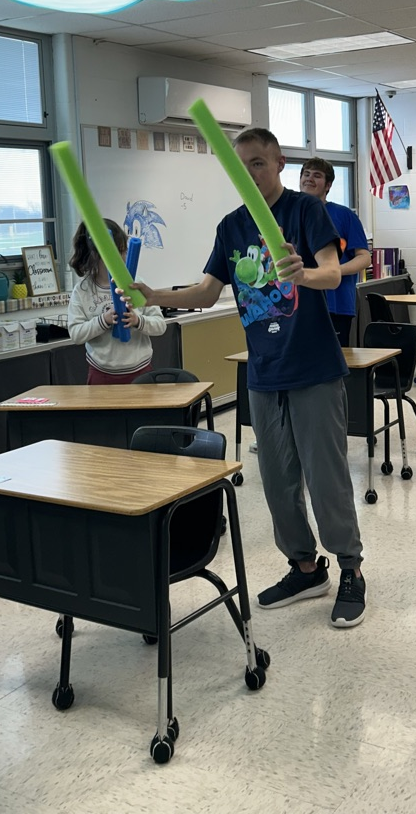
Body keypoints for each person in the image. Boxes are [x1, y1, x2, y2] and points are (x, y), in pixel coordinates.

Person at [128, 127, 366, 627]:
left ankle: (350, 568)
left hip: (315, 367)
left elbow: (332, 271)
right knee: (278, 481)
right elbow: (206, 291)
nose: (251, 173)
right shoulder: (231, 227)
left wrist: (302, 274)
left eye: (259, 162)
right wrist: (154, 297)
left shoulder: (305, 211)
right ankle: (304, 566)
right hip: (263, 371)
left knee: (326, 479)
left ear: (279, 163)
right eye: (241, 165)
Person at [68, 218, 166, 384]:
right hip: (101, 374)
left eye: (124, 250)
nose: (124, 257)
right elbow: (76, 334)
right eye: (118, 252)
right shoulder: (83, 291)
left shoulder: (136, 285)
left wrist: (137, 321)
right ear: (96, 255)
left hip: (140, 372)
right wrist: (103, 321)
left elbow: (160, 326)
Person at [299, 158, 371, 347]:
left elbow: (364, 258)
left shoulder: (344, 215)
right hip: (297, 305)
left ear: (328, 185)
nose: (309, 179)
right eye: (306, 174)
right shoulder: (291, 214)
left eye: (317, 175)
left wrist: (334, 270)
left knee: (335, 364)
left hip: (335, 305)